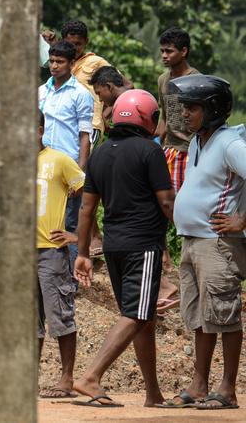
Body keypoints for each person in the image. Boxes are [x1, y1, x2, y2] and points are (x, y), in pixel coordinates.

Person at [72, 90, 172, 408]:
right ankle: (90, 376)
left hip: (114, 246)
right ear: (146, 117)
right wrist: (193, 229)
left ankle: (153, 394)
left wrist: (84, 253)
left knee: (143, 317)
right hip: (142, 245)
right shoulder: (150, 151)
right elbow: (167, 201)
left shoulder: (100, 154)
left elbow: (86, 209)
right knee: (136, 314)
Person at [162, 75, 245, 410]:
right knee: (201, 316)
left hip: (218, 243)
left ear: (212, 109)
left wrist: (242, 220)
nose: (185, 114)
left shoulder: (230, 143)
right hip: (194, 241)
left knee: (225, 316)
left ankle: (227, 390)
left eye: (192, 108)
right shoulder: (199, 141)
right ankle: (199, 385)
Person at [35, 114, 85, 399]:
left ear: (39, 130)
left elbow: (88, 192)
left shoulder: (59, 160)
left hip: (51, 253)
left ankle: (67, 379)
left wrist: (77, 235)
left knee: (60, 316)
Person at [39, 41, 94, 276]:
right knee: (43, 221)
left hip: (67, 167)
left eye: (60, 62)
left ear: (72, 63)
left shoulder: (81, 94)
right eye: (52, 61)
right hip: (42, 166)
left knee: (69, 222)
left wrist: (79, 174)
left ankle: (72, 277)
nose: (54, 65)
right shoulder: (41, 91)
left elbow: (85, 136)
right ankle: (46, 273)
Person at [43, 20, 112, 139]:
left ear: (86, 42)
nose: (74, 48)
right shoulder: (59, 62)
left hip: (91, 127)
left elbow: (123, 86)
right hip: (65, 126)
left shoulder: (95, 62)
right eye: (70, 44)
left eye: (78, 44)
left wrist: (103, 116)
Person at [155, 27, 199, 192]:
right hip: (169, 150)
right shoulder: (162, 80)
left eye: (169, 51)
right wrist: (156, 145)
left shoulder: (197, 81)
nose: (164, 56)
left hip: (191, 151)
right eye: (162, 51)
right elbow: (165, 117)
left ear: (183, 51)